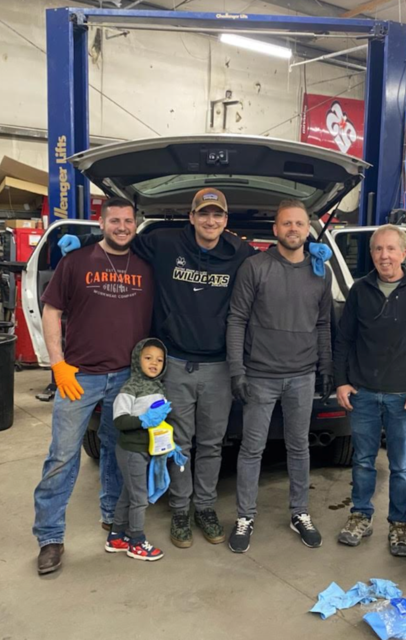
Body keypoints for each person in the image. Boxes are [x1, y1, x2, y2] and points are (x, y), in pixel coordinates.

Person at [58, 188, 254, 549]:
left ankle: (205, 507)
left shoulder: (239, 252)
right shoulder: (164, 243)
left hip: (218, 368)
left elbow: (267, 271)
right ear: (191, 217)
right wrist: (83, 242)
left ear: (225, 221)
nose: (211, 221)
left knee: (211, 444)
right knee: (176, 443)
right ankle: (180, 511)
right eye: (203, 214)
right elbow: (120, 238)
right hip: (175, 365)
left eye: (218, 215)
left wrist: (305, 260)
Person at [32, 198, 154, 575]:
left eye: (128, 221)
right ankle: (50, 537)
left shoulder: (147, 269)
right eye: (114, 220)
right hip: (79, 378)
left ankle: (111, 518)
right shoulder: (76, 263)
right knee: (63, 457)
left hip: (126, 378)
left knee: (118, 453)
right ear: (101, 224)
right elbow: (51, 310)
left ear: (136, 225)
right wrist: (58, 366)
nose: (121, 226)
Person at [225, 200, 334, 553]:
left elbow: (323, 323)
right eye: (286, 223)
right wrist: (237, 370)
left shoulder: (320, 271)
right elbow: (236, 320)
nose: (293, 229)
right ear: (275, 229)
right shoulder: (254, 267)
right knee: (252, 448)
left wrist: (325, 365)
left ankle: (299, 512)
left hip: (302, 375)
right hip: (260, 375)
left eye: (299, 224)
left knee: (299, 447)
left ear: (307, 229)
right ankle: (245, 517)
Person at [333, 224, 406, 557]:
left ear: (404, 254)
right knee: (363, 461)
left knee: (401, 466)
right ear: (372, 254)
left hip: (401, 396)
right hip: (363, 392)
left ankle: (398, 525)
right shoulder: (360, 290)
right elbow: (344, 340)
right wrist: (341, 381)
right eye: (378, 249)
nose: (384, 256)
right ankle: (360, 515)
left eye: (391, 249)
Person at [106, 338, 170, 562]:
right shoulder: (130, 388)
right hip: (131, 451)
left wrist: (170, 445)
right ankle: (136, 541)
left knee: (128, 493)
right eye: (148, 358)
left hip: (147, 450)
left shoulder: (159, 387)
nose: (154, 363)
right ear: (137, 360)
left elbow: (159, 423)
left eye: (160, 360)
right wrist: (143, 420)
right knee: (139, 499)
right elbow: (120, 421)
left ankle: (116, 536)